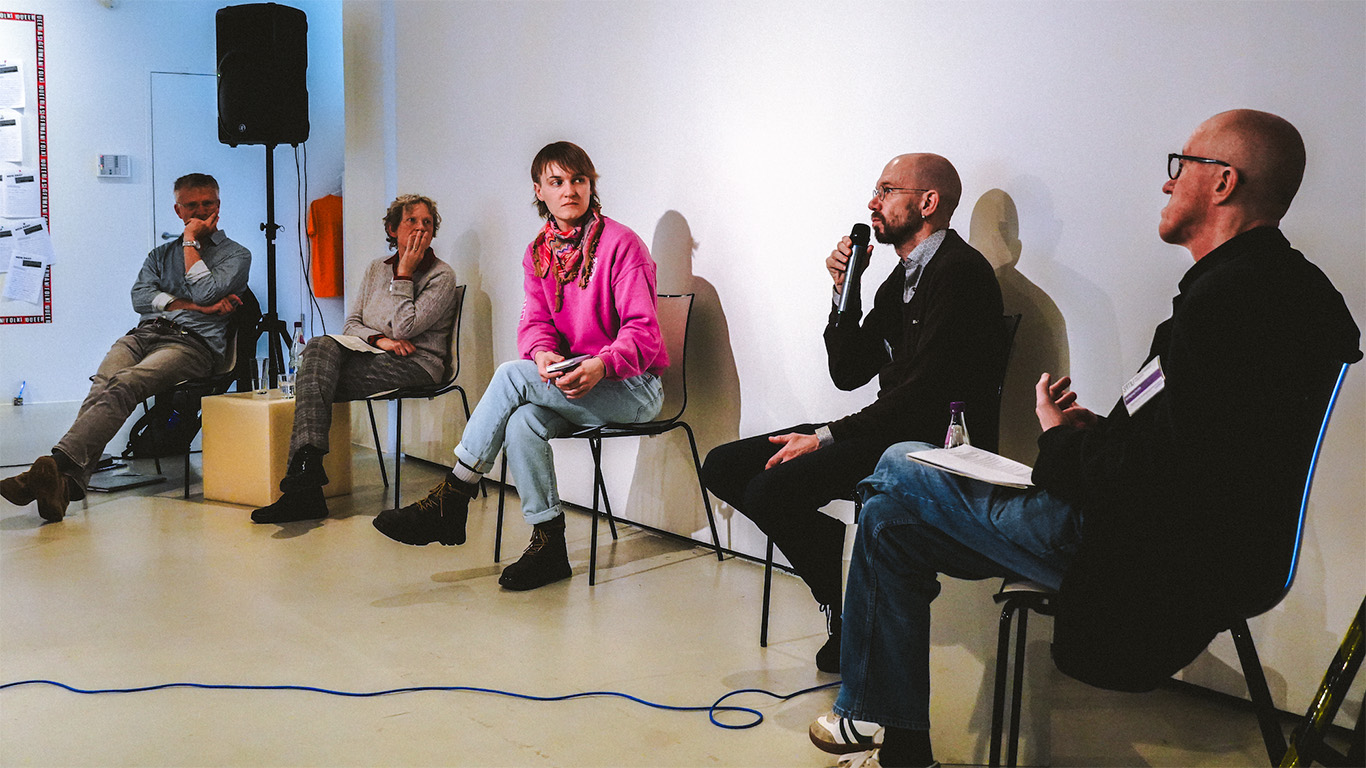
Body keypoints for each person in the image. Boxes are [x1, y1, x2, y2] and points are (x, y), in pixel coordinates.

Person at [809, 110, 1361, 768]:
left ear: (1223, 182)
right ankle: (898, 749)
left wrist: (1058, 442)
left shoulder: (1225, 305)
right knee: (889, 519)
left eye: (1180, 166)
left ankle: (866, 719)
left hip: (1138, 547)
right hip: (1211, 543)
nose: (1167, 183)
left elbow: (1156, 474)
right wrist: (1096, 430)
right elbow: (1196, 442)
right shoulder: (1276, 290)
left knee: (899, 462)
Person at [701, 153, 1005, 673]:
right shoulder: (902, 278)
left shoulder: (959, 273)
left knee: (770, 489)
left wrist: (823, 437)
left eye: (886, 190)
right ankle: (841, 592)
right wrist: (846, 288)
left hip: (927, 448)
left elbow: (921, 398)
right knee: (723, 465)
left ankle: (847, 614)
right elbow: (848, 371)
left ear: (927, 202)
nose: (872, 202)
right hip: (888, 432)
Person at [371, 141, 668, 592]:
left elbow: (643, 332)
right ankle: (549, 544)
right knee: (523, 423)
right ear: (539, 190)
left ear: (591, 186)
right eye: (557, 182)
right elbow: (535, 323)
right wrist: (543, 352)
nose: (569, 190)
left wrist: (601, 365)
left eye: (579, 180)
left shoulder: (622, 244)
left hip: (633, 386)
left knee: (511, 375)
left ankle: (454, 494)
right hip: (576, 381)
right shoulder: (539, 253)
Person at [1, 173, 252, 522]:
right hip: (143, 335)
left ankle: (51, 468)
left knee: (126, 383)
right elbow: (140, 298)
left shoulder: (236, 255)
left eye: (207, 203)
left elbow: (206, 290)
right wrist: (195, 307)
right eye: (191, 205)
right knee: (102, 385)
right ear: (178, 210)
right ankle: (67, 485)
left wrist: (190, 243)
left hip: (193, 345)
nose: (199, 211)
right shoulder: (160, 255)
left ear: (218, 206)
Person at [250, 194, 459, 524]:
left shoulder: (441, 275)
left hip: (419, 364)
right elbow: (352, 324)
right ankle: (307, 472)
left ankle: (304, 489)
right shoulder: (377, 268)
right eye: (411, 221)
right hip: (375, 354)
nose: (421, 228)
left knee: (312, 379)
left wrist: (404, 274)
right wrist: (380, 340)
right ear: (392, 229)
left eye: (427, 223)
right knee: (319, 346)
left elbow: (406, 328)